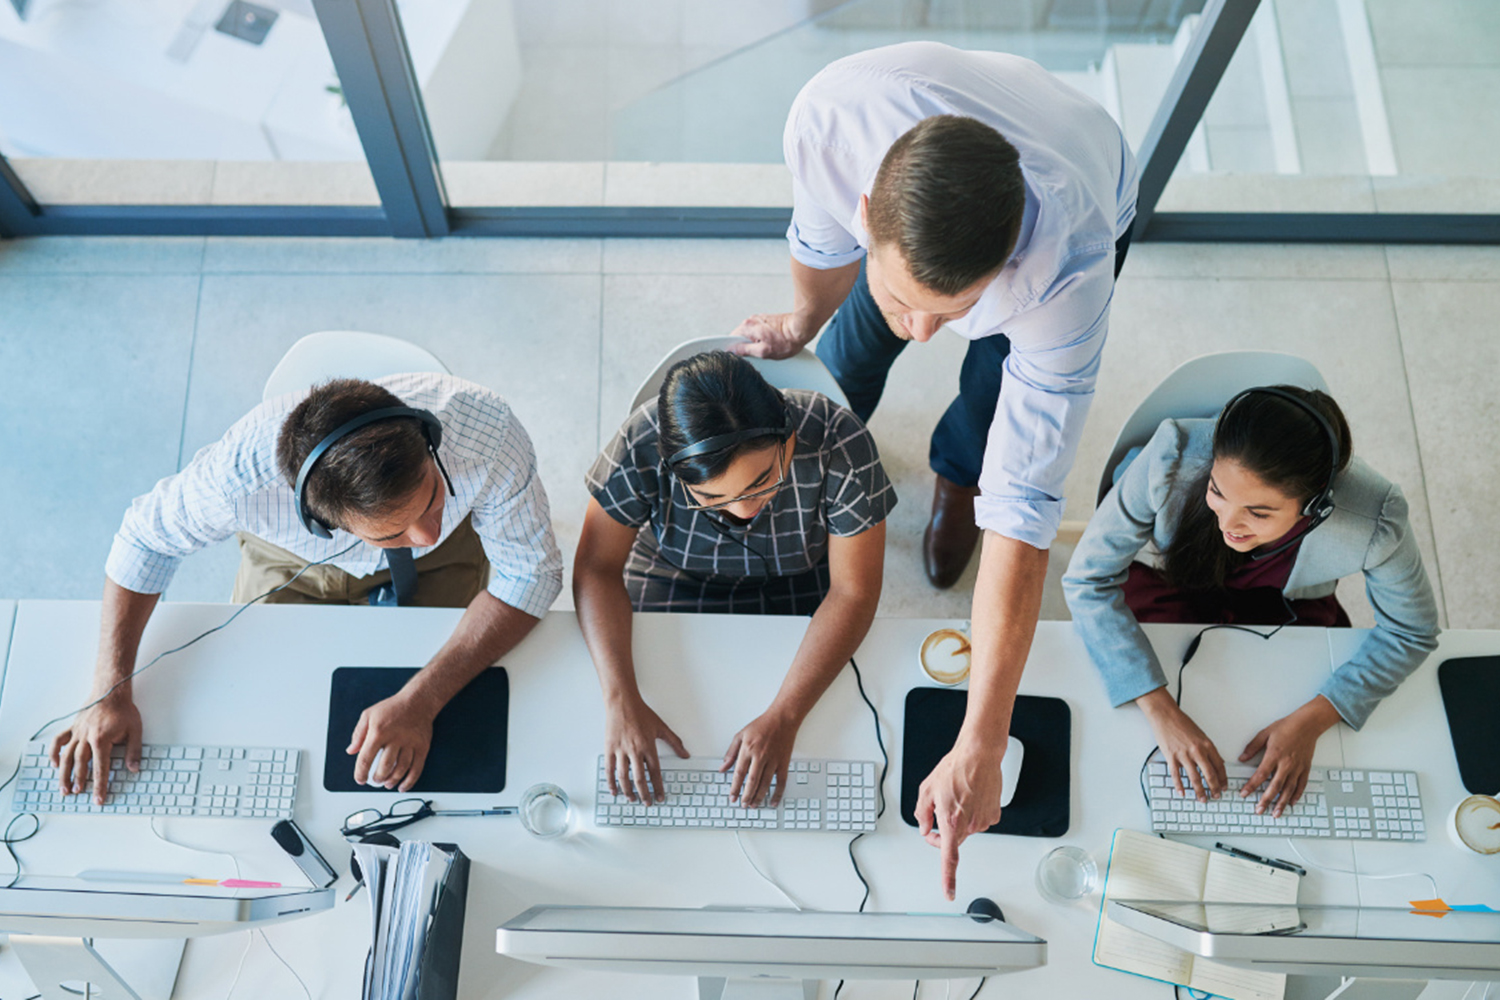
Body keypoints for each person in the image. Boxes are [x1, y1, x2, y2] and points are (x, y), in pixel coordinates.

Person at [730, 41, 1138, 897]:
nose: (923, 332)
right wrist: (806, 317)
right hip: (913, 161)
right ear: (871, 204)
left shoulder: (1068, 270)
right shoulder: (834, 117)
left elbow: (1023, 515)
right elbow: (820, 233)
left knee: (992, 396)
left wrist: (981, 739)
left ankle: (953, 474)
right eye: (908, 298)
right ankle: (829, 462)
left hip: (1088, 165)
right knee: (849, 353)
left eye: (947, 312)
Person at [50, 374, 563, 800]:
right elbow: (144, 539)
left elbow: (530, 575)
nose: (424, 533)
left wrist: (422, 700)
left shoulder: (487, 433)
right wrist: (109, 689)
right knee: (266, 706)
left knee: (458, 696)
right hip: (291, 561)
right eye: (393, 529)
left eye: (430, 496)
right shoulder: (237, 480)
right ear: (323, 521)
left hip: (450, 556)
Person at [1064, 386, 1440, 815]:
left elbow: (1412, 630)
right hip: (1168, 579)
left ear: (1315, 504)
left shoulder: (1376, 518)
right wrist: (1160, 709)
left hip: (1284, 599)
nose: (1228, 523)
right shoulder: (1172, 453)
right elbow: (1087, 580)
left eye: (1258, 513)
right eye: (1217, 492)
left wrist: (1314, 719)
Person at [574, 351, 895, 810]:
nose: (743, 510)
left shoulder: (840, 440)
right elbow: (595, 568)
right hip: (674, 573)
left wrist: (785, 717)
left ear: (788, 438)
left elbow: (854, 590)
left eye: (761, 481)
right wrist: (619, 697)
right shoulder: (641, 441)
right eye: (710, 498)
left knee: (827, 727)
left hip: (799, 577)